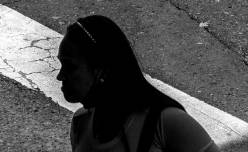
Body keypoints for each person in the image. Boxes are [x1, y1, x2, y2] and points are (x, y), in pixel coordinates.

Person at [57, 15, 216, 152]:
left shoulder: (165, 122)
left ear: (101, 69)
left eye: (70, 66)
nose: (60, 76)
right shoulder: (80, 124)